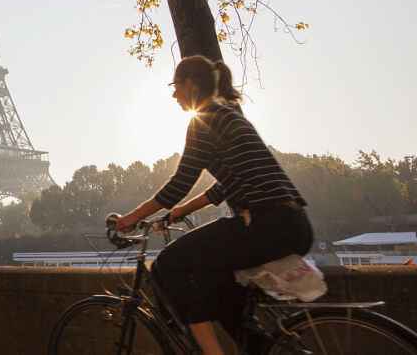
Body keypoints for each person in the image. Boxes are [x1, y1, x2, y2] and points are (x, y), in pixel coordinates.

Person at [115, 55, 313, 355]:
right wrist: (183, 211)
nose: (173, 94)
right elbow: (226, 185)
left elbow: (178, 184)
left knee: (167, 265)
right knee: (224, 299)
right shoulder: (230, 116)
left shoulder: (204, 120)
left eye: (175, 85)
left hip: (263, 224)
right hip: (294, 225)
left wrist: (131, 217)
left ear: (189, 84)